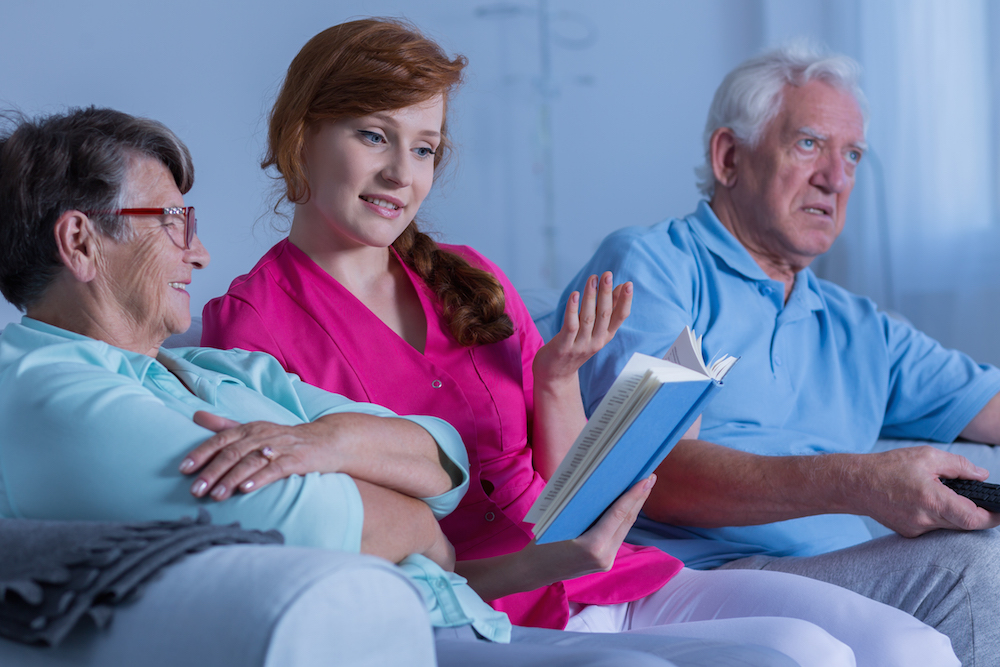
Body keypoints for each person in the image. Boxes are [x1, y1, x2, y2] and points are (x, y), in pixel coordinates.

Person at [200, 19, 957, 667]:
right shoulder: (249, 326)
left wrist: (559, 380)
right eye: (374, 136)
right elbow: (340, 532)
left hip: (608, 575)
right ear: (299, 136)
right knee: (807, 654)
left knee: (910, 646)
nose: (403, 172)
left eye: (425, 147)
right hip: (493, 606)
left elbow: (564, 497)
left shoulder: (470, 277)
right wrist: (536, 561)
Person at [0, 107, 830, 667]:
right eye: (172, 221)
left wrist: (323, 446)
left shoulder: (207, 373)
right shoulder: (43, 390)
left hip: (488, 605)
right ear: (80, 240)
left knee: (798, 650)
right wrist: (397, 504)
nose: (199, 250)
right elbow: (316, 515)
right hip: (441, 619)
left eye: (425, 146)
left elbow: (445, 459)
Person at [557, 42, 1000, 666]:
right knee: (977, 569)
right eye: (810, 144)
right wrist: (860, 483)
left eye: (852, 155)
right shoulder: (655, 269)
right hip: (700, 577)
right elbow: (651, 472)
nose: (837, 178)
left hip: (838, 575)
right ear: (730, 156)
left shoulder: (858, 325)